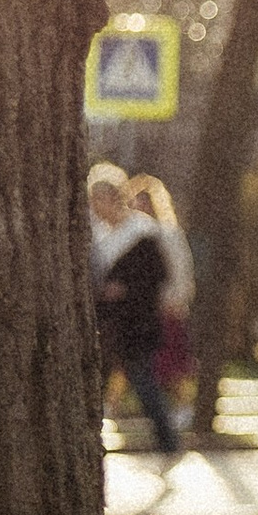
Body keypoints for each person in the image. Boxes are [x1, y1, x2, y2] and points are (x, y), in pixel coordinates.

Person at [89, 163, 182, 454]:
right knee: (102, 381)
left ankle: (168, 439)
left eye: (99, 200)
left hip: (136, 321)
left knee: (142, 380)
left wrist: (125, 290)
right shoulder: (101, 235)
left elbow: (156, 276)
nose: (95, 208)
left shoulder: (142, 232)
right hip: (108, 321)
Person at [128, 172, 197, 409]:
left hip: (166, 306)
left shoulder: (167, 233)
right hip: (143, 309)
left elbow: (180, 270)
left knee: (171, 363)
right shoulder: (135, 235)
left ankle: (182, 406)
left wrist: (176, 299)